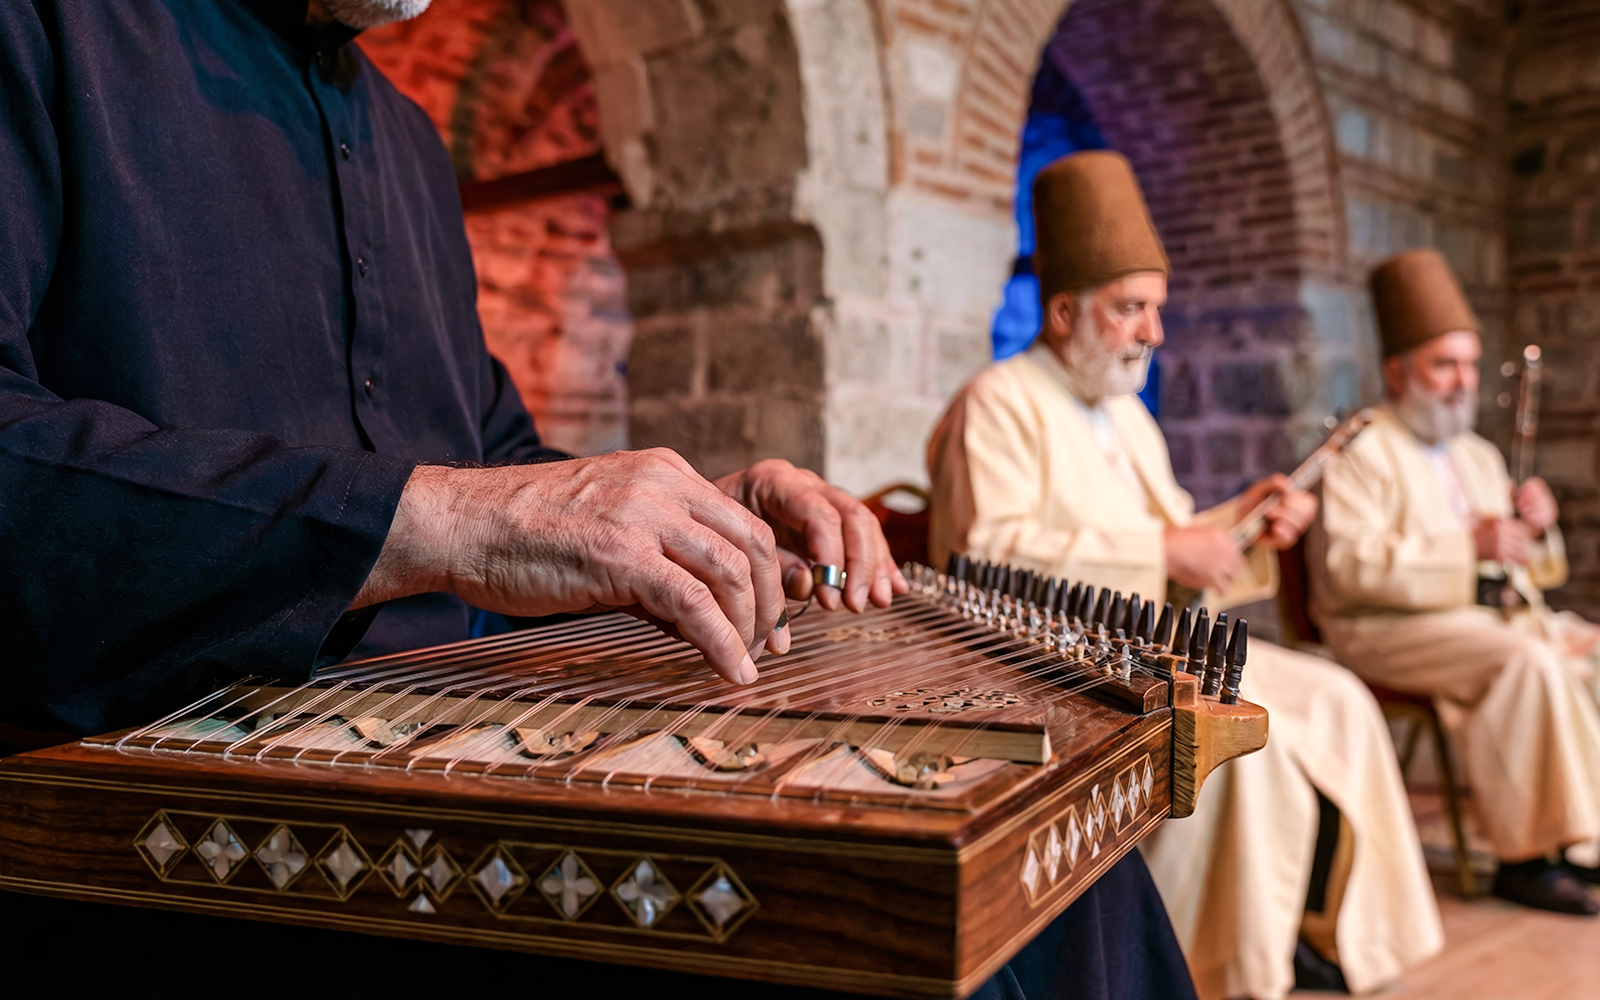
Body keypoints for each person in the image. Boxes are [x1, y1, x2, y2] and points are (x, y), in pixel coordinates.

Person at [0, 3, 1198, 996]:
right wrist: (440, 522)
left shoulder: (407, 142)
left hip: (453, 748)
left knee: (1053, 886)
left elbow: (497, 453)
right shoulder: (52, 29)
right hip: (164, 823)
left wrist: (684, 512)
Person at [928, 150, 1443, 1000]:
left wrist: (1247, 520)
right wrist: (1167, 551)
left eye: (1155, 310)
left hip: (1143, 645)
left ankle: (1311, 930)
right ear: (1063, 311)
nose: (1153, 333)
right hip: (1044, 659)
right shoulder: (998, 400)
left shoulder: (1128, 416)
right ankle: (1219, 966)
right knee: (1253, 747)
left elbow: (1175, 539)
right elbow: (987, 556)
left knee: (1341, 699)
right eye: (1130, 309)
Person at [1308, 247, 1600, 916]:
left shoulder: (1478, 453)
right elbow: (1348, 569)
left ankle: (1588, 845)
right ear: (1397, 369)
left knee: (1588, 651)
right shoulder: (1359, 448)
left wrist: (1537, 527)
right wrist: (1466, 545)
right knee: (1528, 663)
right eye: (1444, 364)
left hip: (1484, 617)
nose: (1461, 381)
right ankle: (1529, 858)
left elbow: (1534, 571)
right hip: (1385, 627)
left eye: (1468, 364)